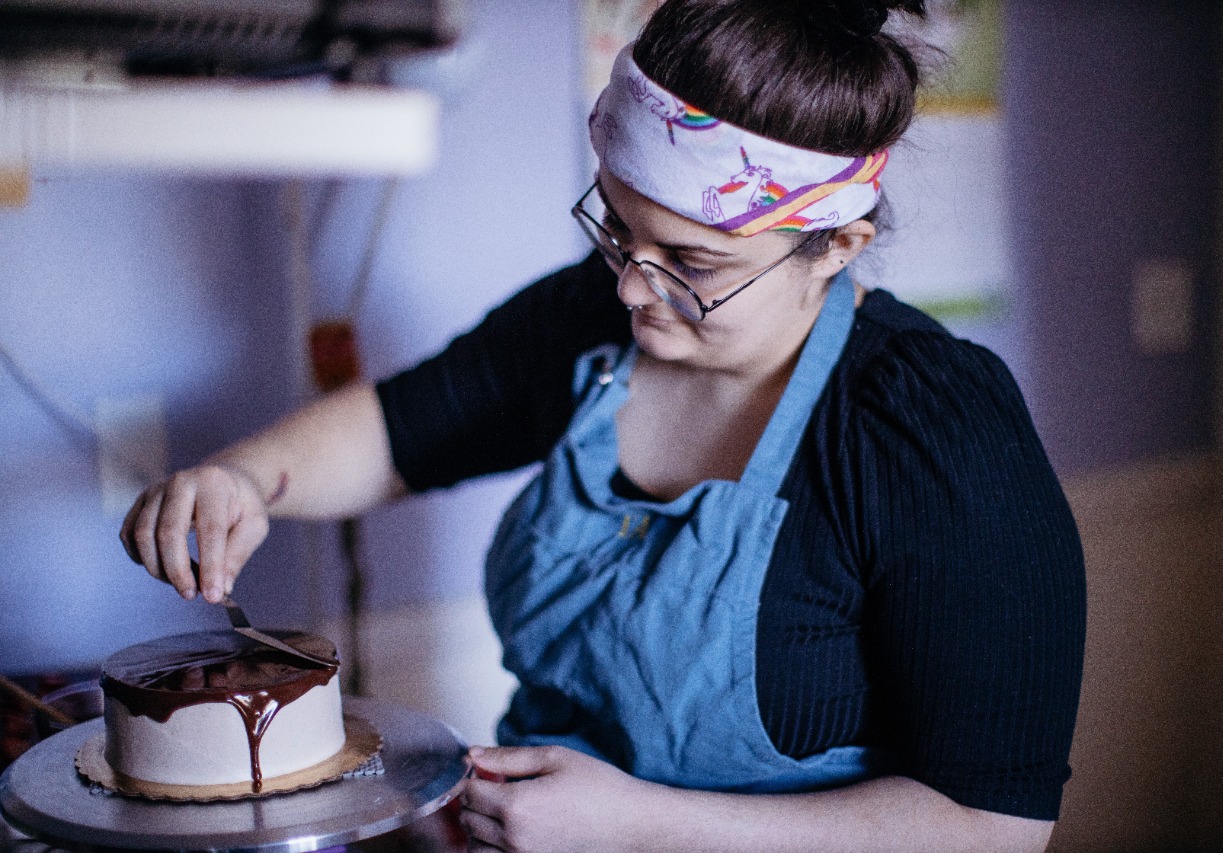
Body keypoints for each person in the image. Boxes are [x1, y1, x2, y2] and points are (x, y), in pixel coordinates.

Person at [120, 1, 1086, 850]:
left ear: (837, 245)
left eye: (692, 262)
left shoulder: (931, 427)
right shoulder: (596, 318)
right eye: (618, 228)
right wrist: (244, 478)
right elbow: (404, 429)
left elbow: (994, 823)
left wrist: (639, 825)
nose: (631, 287)